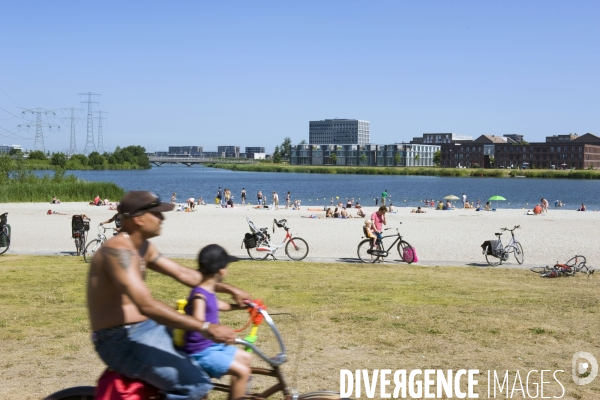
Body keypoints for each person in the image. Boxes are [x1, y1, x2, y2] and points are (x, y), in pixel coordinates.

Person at [88, 191, 251, 400]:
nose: (162, 218)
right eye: (157, 214)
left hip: (147, 329)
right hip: (120, 339)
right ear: (139, 218)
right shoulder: (119, 253)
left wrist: (230, 289)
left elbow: (183, 274)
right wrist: (206, 327)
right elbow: (146, 305)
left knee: (202, 366)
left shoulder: (142, 246)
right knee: (196, 385)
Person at [181, 245, 252, 400]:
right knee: (243, 372)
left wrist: (242, 307)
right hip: (201, 352)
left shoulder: (209, 289)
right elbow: (198, 321)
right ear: (220, 270)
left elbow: (219, 305)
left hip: (213, 347)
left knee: (246, 359)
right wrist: (212, 330)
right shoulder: (199, 295)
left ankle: (237, 392)